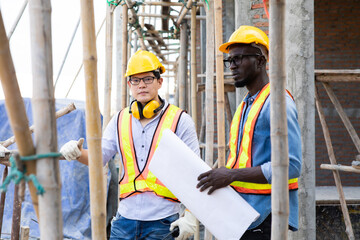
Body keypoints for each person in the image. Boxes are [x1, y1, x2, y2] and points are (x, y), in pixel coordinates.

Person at [60, 50, 199, 240]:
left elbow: (195, 173)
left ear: (160, 81)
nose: (141, 85)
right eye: (135, 80)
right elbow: (98, 158)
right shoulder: (119, 120)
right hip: (124, 222)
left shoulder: (180, 120)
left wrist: (190, 216)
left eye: (148, 79)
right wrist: (77, 153)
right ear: (129, 84)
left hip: (163, 222)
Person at [196, 25, 302, 240]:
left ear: (261, 61)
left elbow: (292, 166)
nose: (231, 66)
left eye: (238, 59)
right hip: (242, 213)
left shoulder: (278, 103)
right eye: (229, 61)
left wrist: (231, 175)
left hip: (266, 217)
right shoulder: (246, 104)